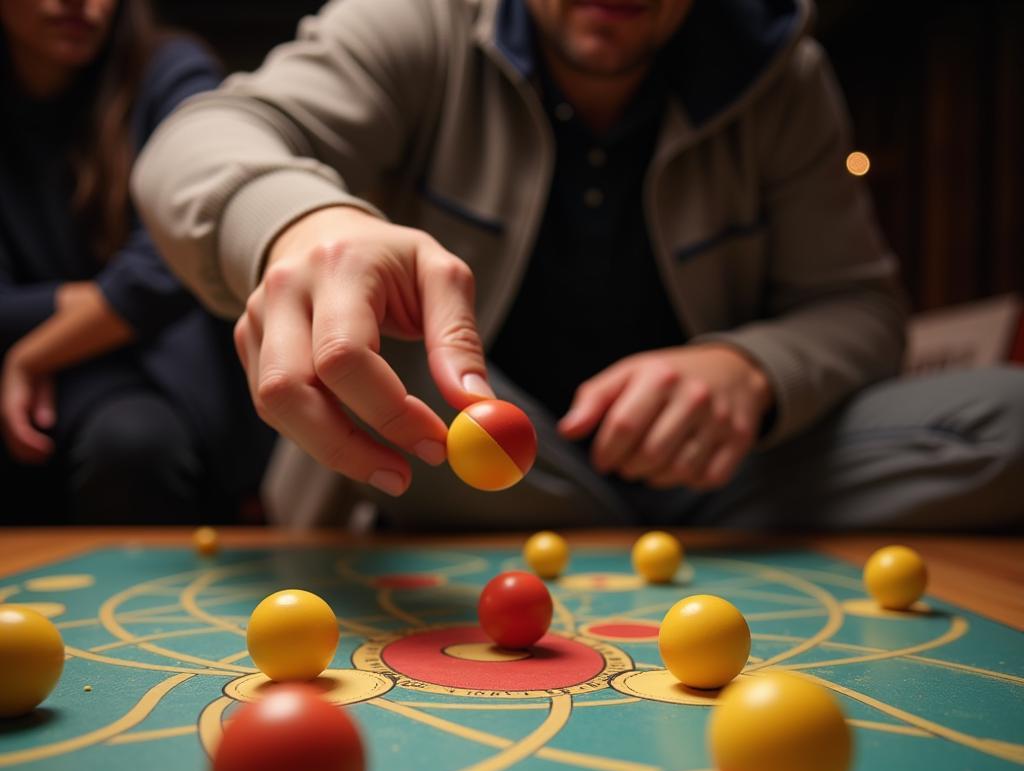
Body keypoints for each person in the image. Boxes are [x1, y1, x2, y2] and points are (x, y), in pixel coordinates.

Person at [132, 0, 1024, 531]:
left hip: (715, 481)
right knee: (366, 351)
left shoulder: (784, 76)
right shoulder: (419, 22)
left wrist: (751, 370)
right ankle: (602, 529)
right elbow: (193, 141)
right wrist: (304, 223)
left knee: (1007, 413)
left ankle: (597, 526)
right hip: (467, 468)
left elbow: (863, 308)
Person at [0, 0, 272, 525]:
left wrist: (32, 354)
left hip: (158, 384)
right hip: (40, 381)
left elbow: (182, 253)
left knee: (133, 442)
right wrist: (98, 303)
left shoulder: (172, 72)